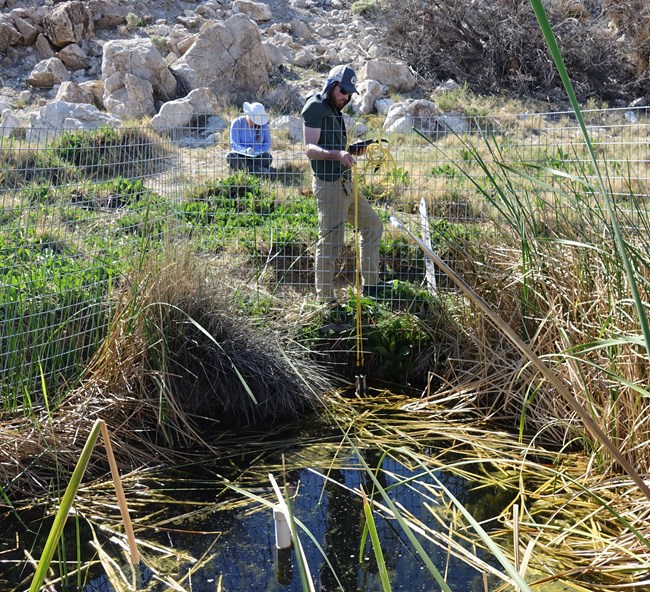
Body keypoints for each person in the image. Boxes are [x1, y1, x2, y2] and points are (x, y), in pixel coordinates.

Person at [301, 65, 383, 303]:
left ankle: (372, 287)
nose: (345, 97)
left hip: (345, 184)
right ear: (331, 84)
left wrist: (350, 151)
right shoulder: (315, 107)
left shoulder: (334, 108)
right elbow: (309, 148)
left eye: (348, 93)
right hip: (329, 186)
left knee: (372, 226)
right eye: (342, 91)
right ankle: (325, 301)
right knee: (330, 242)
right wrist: (337, 155)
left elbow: (333, 145)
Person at [226, 101, 273, 174]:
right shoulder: (237, 123)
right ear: (247, 114)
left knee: (268, 157)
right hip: (241, 155)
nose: (253, 122)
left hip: (258, 156)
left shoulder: (264, 126)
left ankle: (241, 168)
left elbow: (267, 143)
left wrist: (258, 152)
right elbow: (234, 143)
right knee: (230, 156)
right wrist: (245, 151)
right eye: (251, 119)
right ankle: (258, 170)